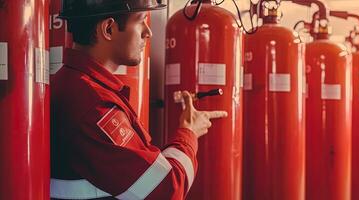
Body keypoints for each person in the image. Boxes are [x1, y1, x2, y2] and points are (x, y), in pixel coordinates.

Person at [50, 0, 227, 199]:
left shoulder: (78, 86)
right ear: (108, 28)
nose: (148, 32)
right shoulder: (93, 104)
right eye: (141, 20)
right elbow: (168, 188)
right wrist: (189, 133)